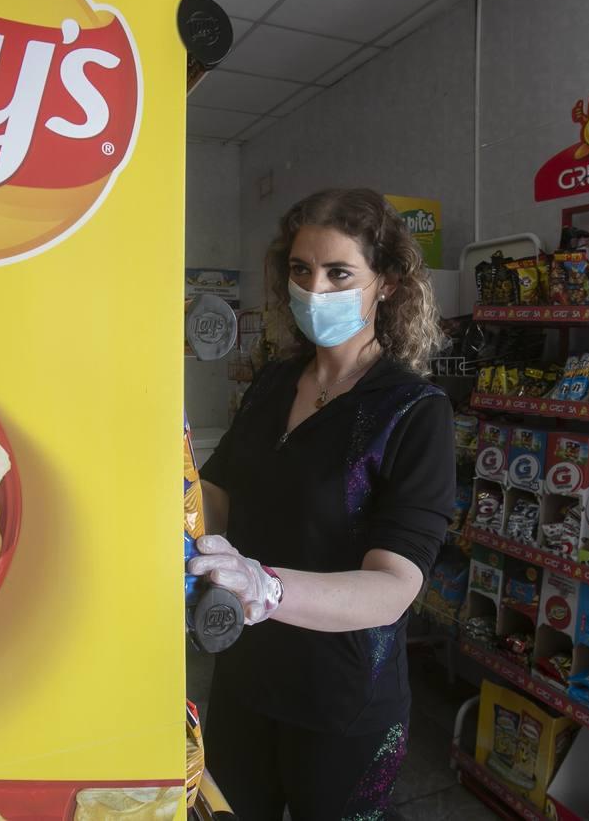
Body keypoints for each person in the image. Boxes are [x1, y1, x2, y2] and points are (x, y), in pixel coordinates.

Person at [188, 188, 456, 819]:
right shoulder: (274, 381)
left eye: (340, 273)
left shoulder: (415, 412)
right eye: (301, 270)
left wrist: (268, 588)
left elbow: (392, 587)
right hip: (244, 676)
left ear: (386, 284)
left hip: (342, 702)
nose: (315, 289)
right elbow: (223, 500)